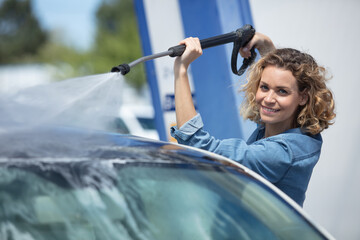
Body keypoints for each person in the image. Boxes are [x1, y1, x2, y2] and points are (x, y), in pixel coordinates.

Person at [170, 32, 336, 207]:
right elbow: (279, 80)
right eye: (264, 87)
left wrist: (181, 71)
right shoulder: (291, 129)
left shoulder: (281, 153)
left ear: (303, 97)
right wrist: (266, 46)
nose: (269, 99)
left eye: (282, 91)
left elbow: (199, 146)